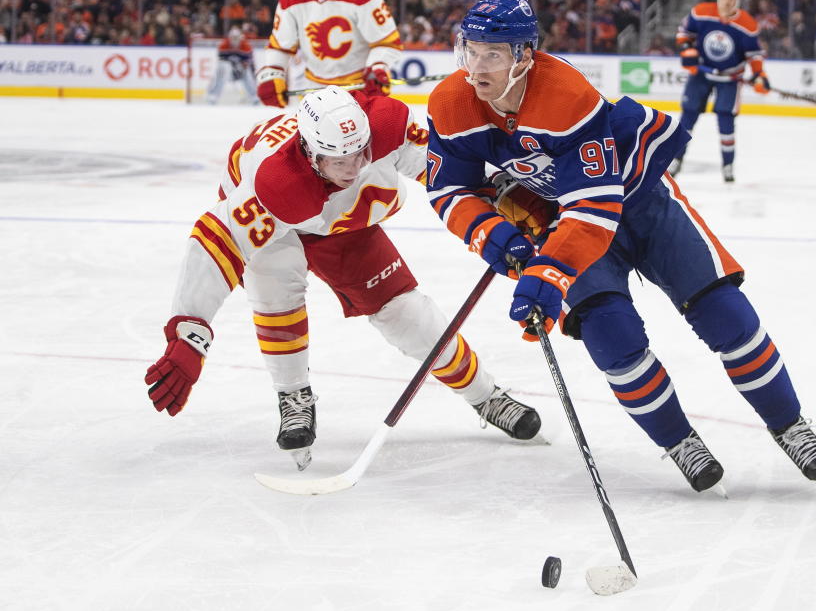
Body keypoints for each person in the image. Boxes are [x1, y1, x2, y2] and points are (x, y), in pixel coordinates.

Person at [424, 0, 816, 494]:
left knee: (726, 315)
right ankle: (679, 440)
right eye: (471, 50)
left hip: (639, 203)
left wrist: (548, 272)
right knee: (612, 340)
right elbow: (449, 188)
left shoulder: (563, 95)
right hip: (565, 219)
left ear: (524, 56)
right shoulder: (450, 103)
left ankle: (789, 424)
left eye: (494, 53)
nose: (477, 66)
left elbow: (595, 211)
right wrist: (494, 235)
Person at [145, 86, 542, 470]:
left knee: (407, 315)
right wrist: (189, 331)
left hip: (343, 226)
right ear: (311, 155)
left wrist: (500, 192)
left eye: (361, 154)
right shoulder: (277, 186)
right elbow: (215, 242)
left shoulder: (385, 127)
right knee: (277, 298)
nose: (354, 169)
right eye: (340, 161)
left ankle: (486, 396)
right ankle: (293, 395)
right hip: (278, 222)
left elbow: (446, 169)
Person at [256, 0, 402, 108]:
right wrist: (273, 73)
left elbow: (388, 42)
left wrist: (377, 67)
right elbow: (280, 46)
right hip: (315, 93)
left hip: (361, 90)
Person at [669, 0, 770, 184]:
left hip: (729, 78)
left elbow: (754, 55)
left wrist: (760, 74)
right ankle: (676, 159)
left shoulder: (747, 25)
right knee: (688, 116)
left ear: (738, 0)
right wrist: (687, 50)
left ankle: (728, 165)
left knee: (726, 120)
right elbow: (684, 33)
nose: (727, 1)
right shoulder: (701, 12)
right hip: (701, 74)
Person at [206, 26, 258, 105]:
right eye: (233, 38)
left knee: (247, 73)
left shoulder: (246, 46)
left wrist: (242, 66)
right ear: (229, 37)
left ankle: (254, 96)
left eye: (236, 38)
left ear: (240, 38)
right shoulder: (223, 45)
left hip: (240, 70)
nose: (234, 40)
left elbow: (249, 62)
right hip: (227, 71)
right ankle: (213, 95)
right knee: (222, 70)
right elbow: (221, 62)